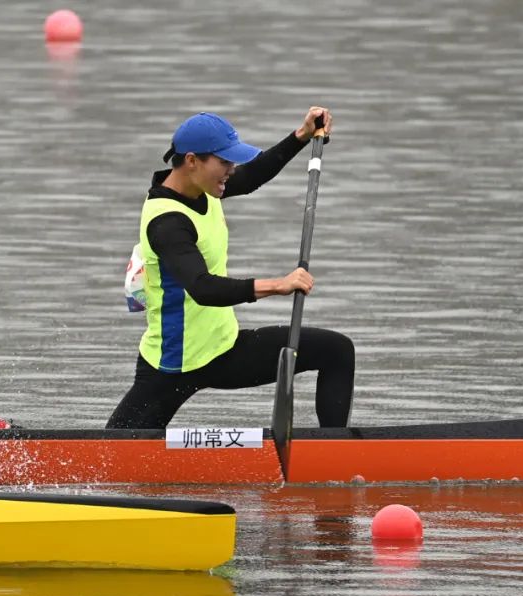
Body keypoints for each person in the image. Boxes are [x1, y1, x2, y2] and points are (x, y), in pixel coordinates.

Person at [106, 107, 354, 429]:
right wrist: (278, 284)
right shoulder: (167, 222)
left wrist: (301, 136)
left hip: (224, 349)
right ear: (192, 160)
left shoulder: (205, 188)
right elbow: (203, 288)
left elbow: (252, 176)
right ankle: (21, 442)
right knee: (109, 455)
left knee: (337, 351)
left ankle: (333, 457)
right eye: (224, 163)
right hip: (173, 365)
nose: (231, 171)